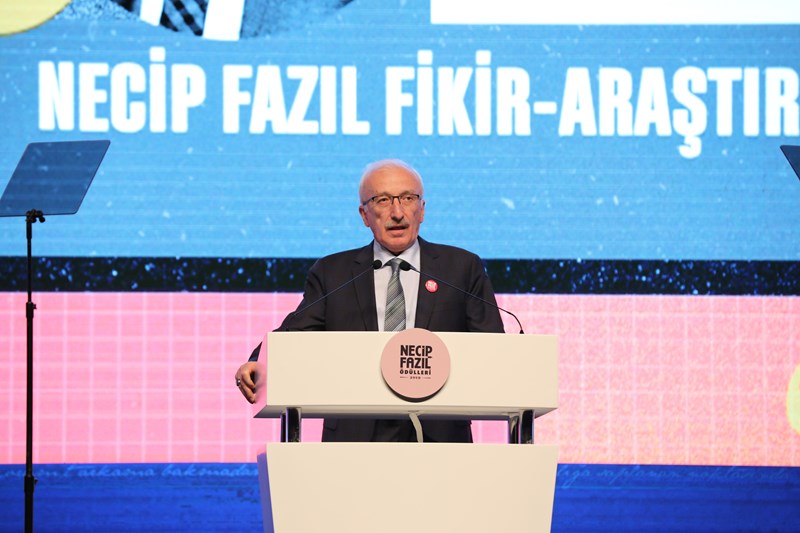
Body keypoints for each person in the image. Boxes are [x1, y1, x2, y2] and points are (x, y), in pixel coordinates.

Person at [234, 159, 504, 442]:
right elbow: (295, 334)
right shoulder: (333, 273)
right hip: (355, 436)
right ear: (364, 215)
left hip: (440, 434)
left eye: (408, 198)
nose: (397, 213)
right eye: (383, 200)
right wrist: (257, 362)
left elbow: (493, 347)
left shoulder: (461, 268)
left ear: (422, 210)